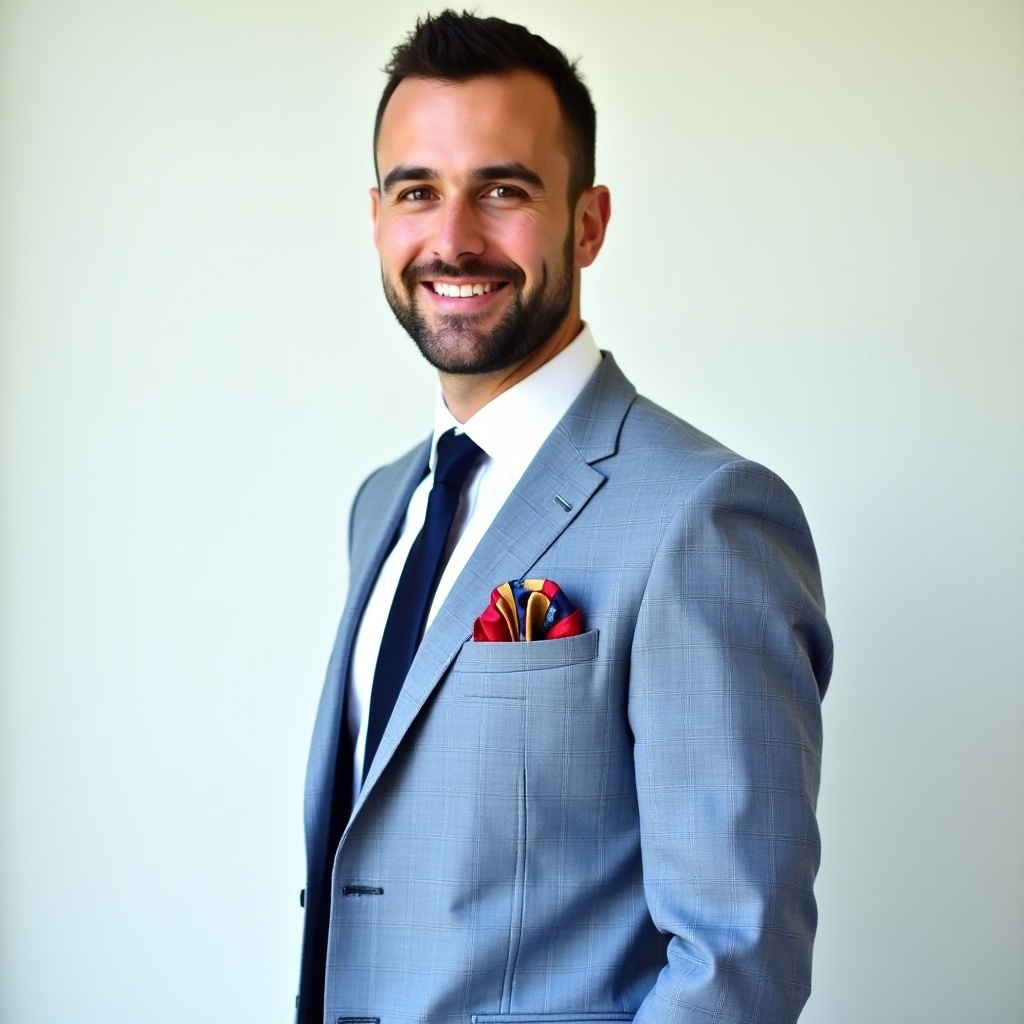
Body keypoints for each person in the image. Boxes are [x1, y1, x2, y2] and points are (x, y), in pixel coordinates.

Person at [297, 11, 833, 1024]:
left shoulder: (702, 515)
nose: (452, 237)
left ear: (587, 222)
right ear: (377, 217)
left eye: (502, 190)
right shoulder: (385, 505)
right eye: (418, 191)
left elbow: (737, 956)